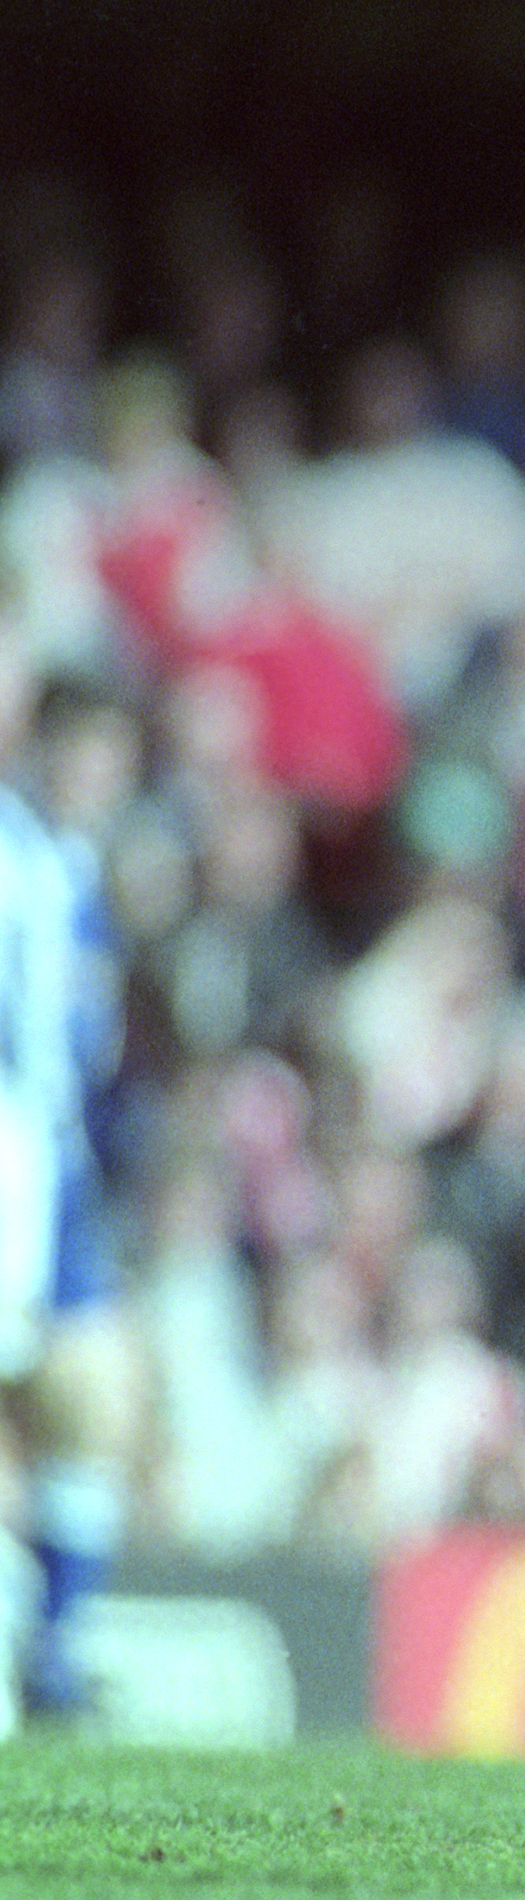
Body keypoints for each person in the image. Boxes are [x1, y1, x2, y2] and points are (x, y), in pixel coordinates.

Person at [0, 636, 137, 1732]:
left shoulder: (76, 869)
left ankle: (56, 1649)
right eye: (83, 750)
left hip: (59, 1168)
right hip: (7, 1153)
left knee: (94, 1391)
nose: (98, 775)